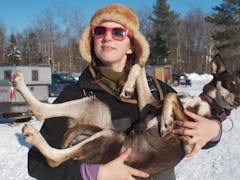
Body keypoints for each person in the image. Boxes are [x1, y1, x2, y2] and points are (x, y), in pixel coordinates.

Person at [28, 4, 222, 180]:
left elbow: (197, 135)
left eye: (119, 32)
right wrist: (94, 174)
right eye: (100, 31)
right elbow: (36, 164)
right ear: (92, 41)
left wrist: (213, 130)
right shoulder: (75, 95)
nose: (107, 37)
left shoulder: (158, 90)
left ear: (131, 46)